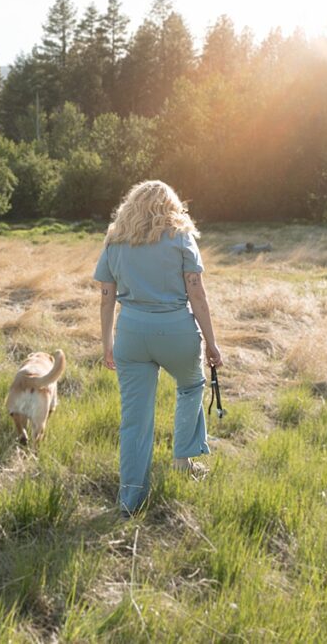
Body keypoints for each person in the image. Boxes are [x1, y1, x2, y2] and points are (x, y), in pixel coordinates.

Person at [93, 180, 223, 516]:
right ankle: (182, 460)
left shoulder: (115, 239)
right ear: (171, 206)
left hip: (132, 334)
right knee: (192, 385)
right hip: (176, 331)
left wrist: (107, 342)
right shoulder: (181, 238)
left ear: (131, 205)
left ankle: (130, 499)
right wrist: (211, 343)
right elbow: (197, 294)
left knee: (134, 420)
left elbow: (107, 299)